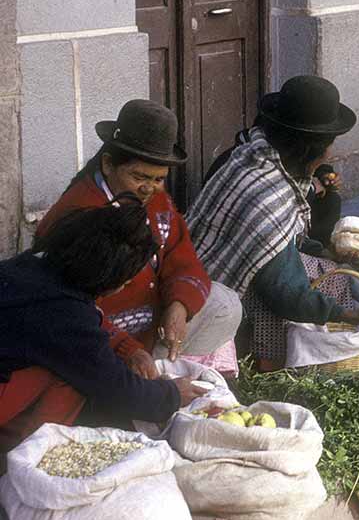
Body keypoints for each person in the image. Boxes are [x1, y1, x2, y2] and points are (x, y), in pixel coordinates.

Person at [187, 76, 359, 368]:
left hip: (199, 280)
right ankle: (270, 366)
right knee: (324, 281)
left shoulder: (251, 154)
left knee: (321, 264)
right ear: (311, 151)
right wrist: (353, 315)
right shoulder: (268, 193)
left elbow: (286, 241)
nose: (329, 154)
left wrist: (325, 251)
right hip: (205, 305)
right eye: (329, 146)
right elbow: (286, 293)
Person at [35, 100, 242, 377]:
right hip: (98, 339)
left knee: (224, 304)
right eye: (139, 177)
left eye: (158, 179)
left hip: (151, 327)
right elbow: (71, 308)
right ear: (108, 165)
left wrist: (179, 306)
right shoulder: (78, 216)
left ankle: (166, 375)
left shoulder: (157, 201)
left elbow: (183, 259)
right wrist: (127, 349)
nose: (149, 188)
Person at [1, 202, 202, 455]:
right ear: (104, 278)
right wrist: (171, 394)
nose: (125, 286)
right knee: (74, 380)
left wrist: (129, 349)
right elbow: (116, 388)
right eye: (126, 281)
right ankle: (24, 457)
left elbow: (86, 322)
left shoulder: (33, 266)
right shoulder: (64, 314)